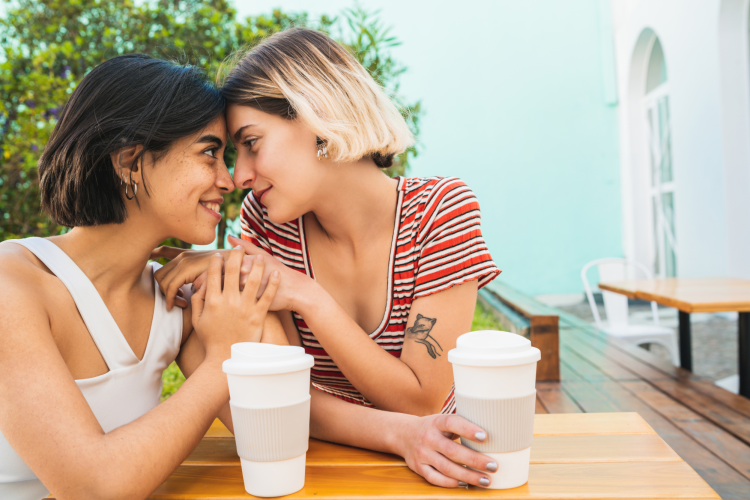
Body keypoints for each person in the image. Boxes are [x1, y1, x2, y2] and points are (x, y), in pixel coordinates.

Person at [155, 27, 501, 488]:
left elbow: (421, 402)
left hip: (443, 470)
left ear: (319, 118)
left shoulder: (439, 212)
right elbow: (286, 397)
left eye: (252, 144)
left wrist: (307, 296)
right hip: (319, 469)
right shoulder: (271, 223)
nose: (240, 176)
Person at [0, 54, 283, 499]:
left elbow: (276, 433)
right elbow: (93, 488)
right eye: (209, 153)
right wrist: (221, 359)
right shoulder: (13, 286)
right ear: (130, 160)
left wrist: (239, 271)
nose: (229, 181)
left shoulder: (173, 297)